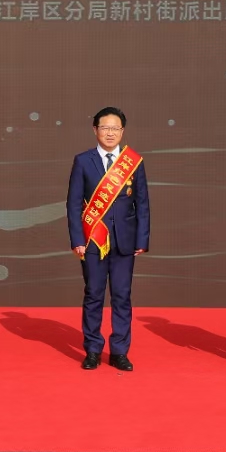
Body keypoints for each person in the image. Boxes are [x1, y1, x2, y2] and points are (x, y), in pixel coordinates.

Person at [67, 107, 150, 371]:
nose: (110, 133)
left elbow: (142, 203)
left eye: (115, 128)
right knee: (93, 294)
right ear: (95, 130)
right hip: (93, 240)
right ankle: (92, 350)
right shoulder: (83, 161)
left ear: (122, 131)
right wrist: (77, 239)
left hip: (125, 240)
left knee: (122, 296)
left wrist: (142, 239)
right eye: (105, 127)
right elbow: (73, 204)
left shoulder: (133, 162)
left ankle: (119, 352)